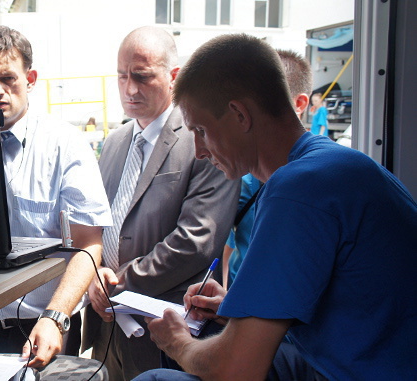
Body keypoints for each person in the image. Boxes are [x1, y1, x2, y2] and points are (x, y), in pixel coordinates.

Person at [133, 33, 417, 380]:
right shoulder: (333, 166)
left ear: (239, 114)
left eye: (202, 130)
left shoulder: (297, 189)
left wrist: (176, 342)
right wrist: (236, 308)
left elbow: (237, 370)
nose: (199, 151)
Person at [83, 26, 239, 380]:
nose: (129, 88)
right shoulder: (116, 141)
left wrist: (119, 283)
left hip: (165, 327)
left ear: (174, 77)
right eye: (122, 76)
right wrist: (93, 279)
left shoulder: (202, 138)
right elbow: (99, 223)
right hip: (108, 325)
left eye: (142, 76)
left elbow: (197, 240)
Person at [0, 25, 112, 367]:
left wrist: (55, 317)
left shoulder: (64, 145)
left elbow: (89, 244)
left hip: (47, 328)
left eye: (8, 78)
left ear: (30, 78)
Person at [223, 49, 312, 289]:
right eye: (238, 111)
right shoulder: (245, 177)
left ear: (299, 103)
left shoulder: (316, 186)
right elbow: (231, 245)